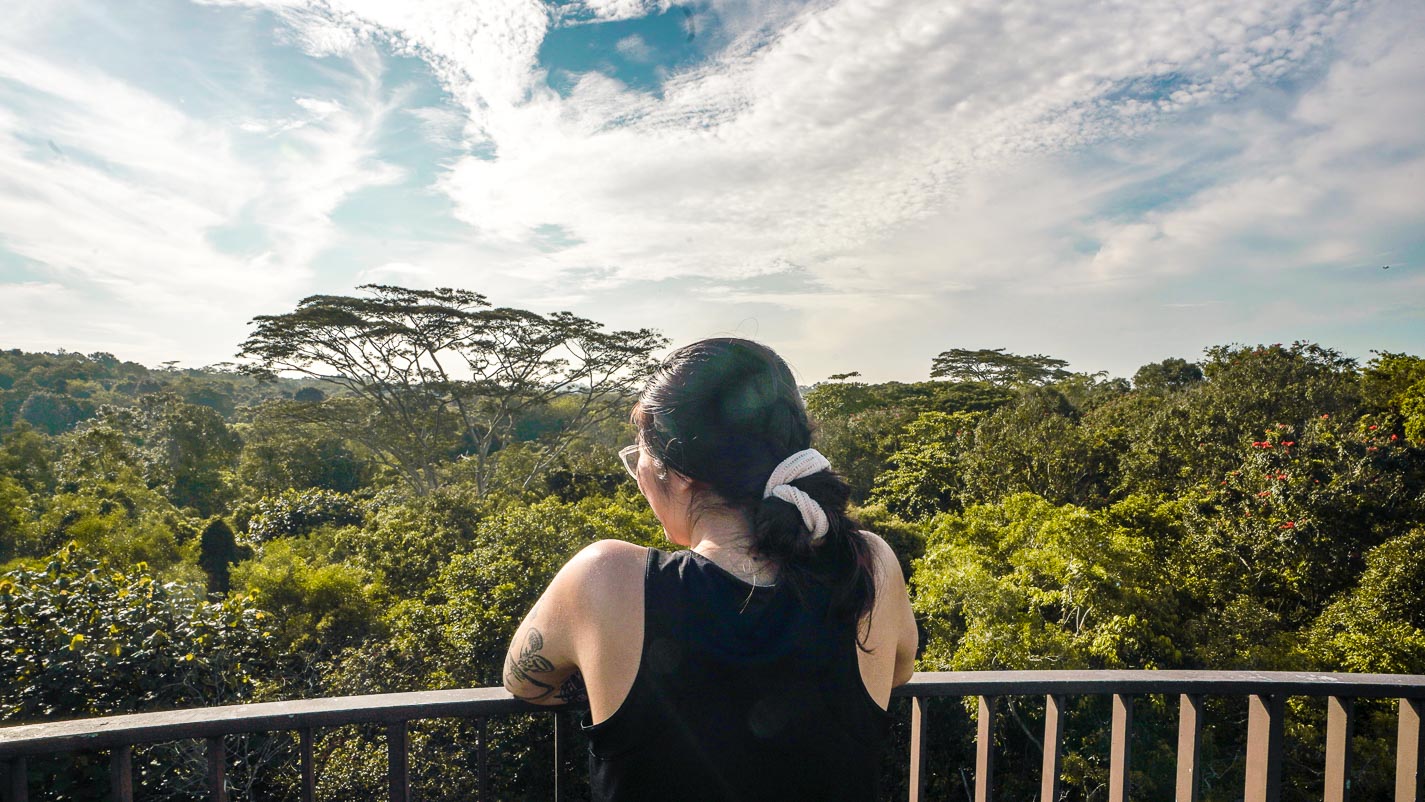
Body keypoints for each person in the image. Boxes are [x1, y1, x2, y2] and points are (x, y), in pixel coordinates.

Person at [503, 337, 918, 801]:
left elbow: (524, 682)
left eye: (638, 459)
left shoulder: (605, 577)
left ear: (678, 475)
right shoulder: (868, 562)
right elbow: (898, 671)